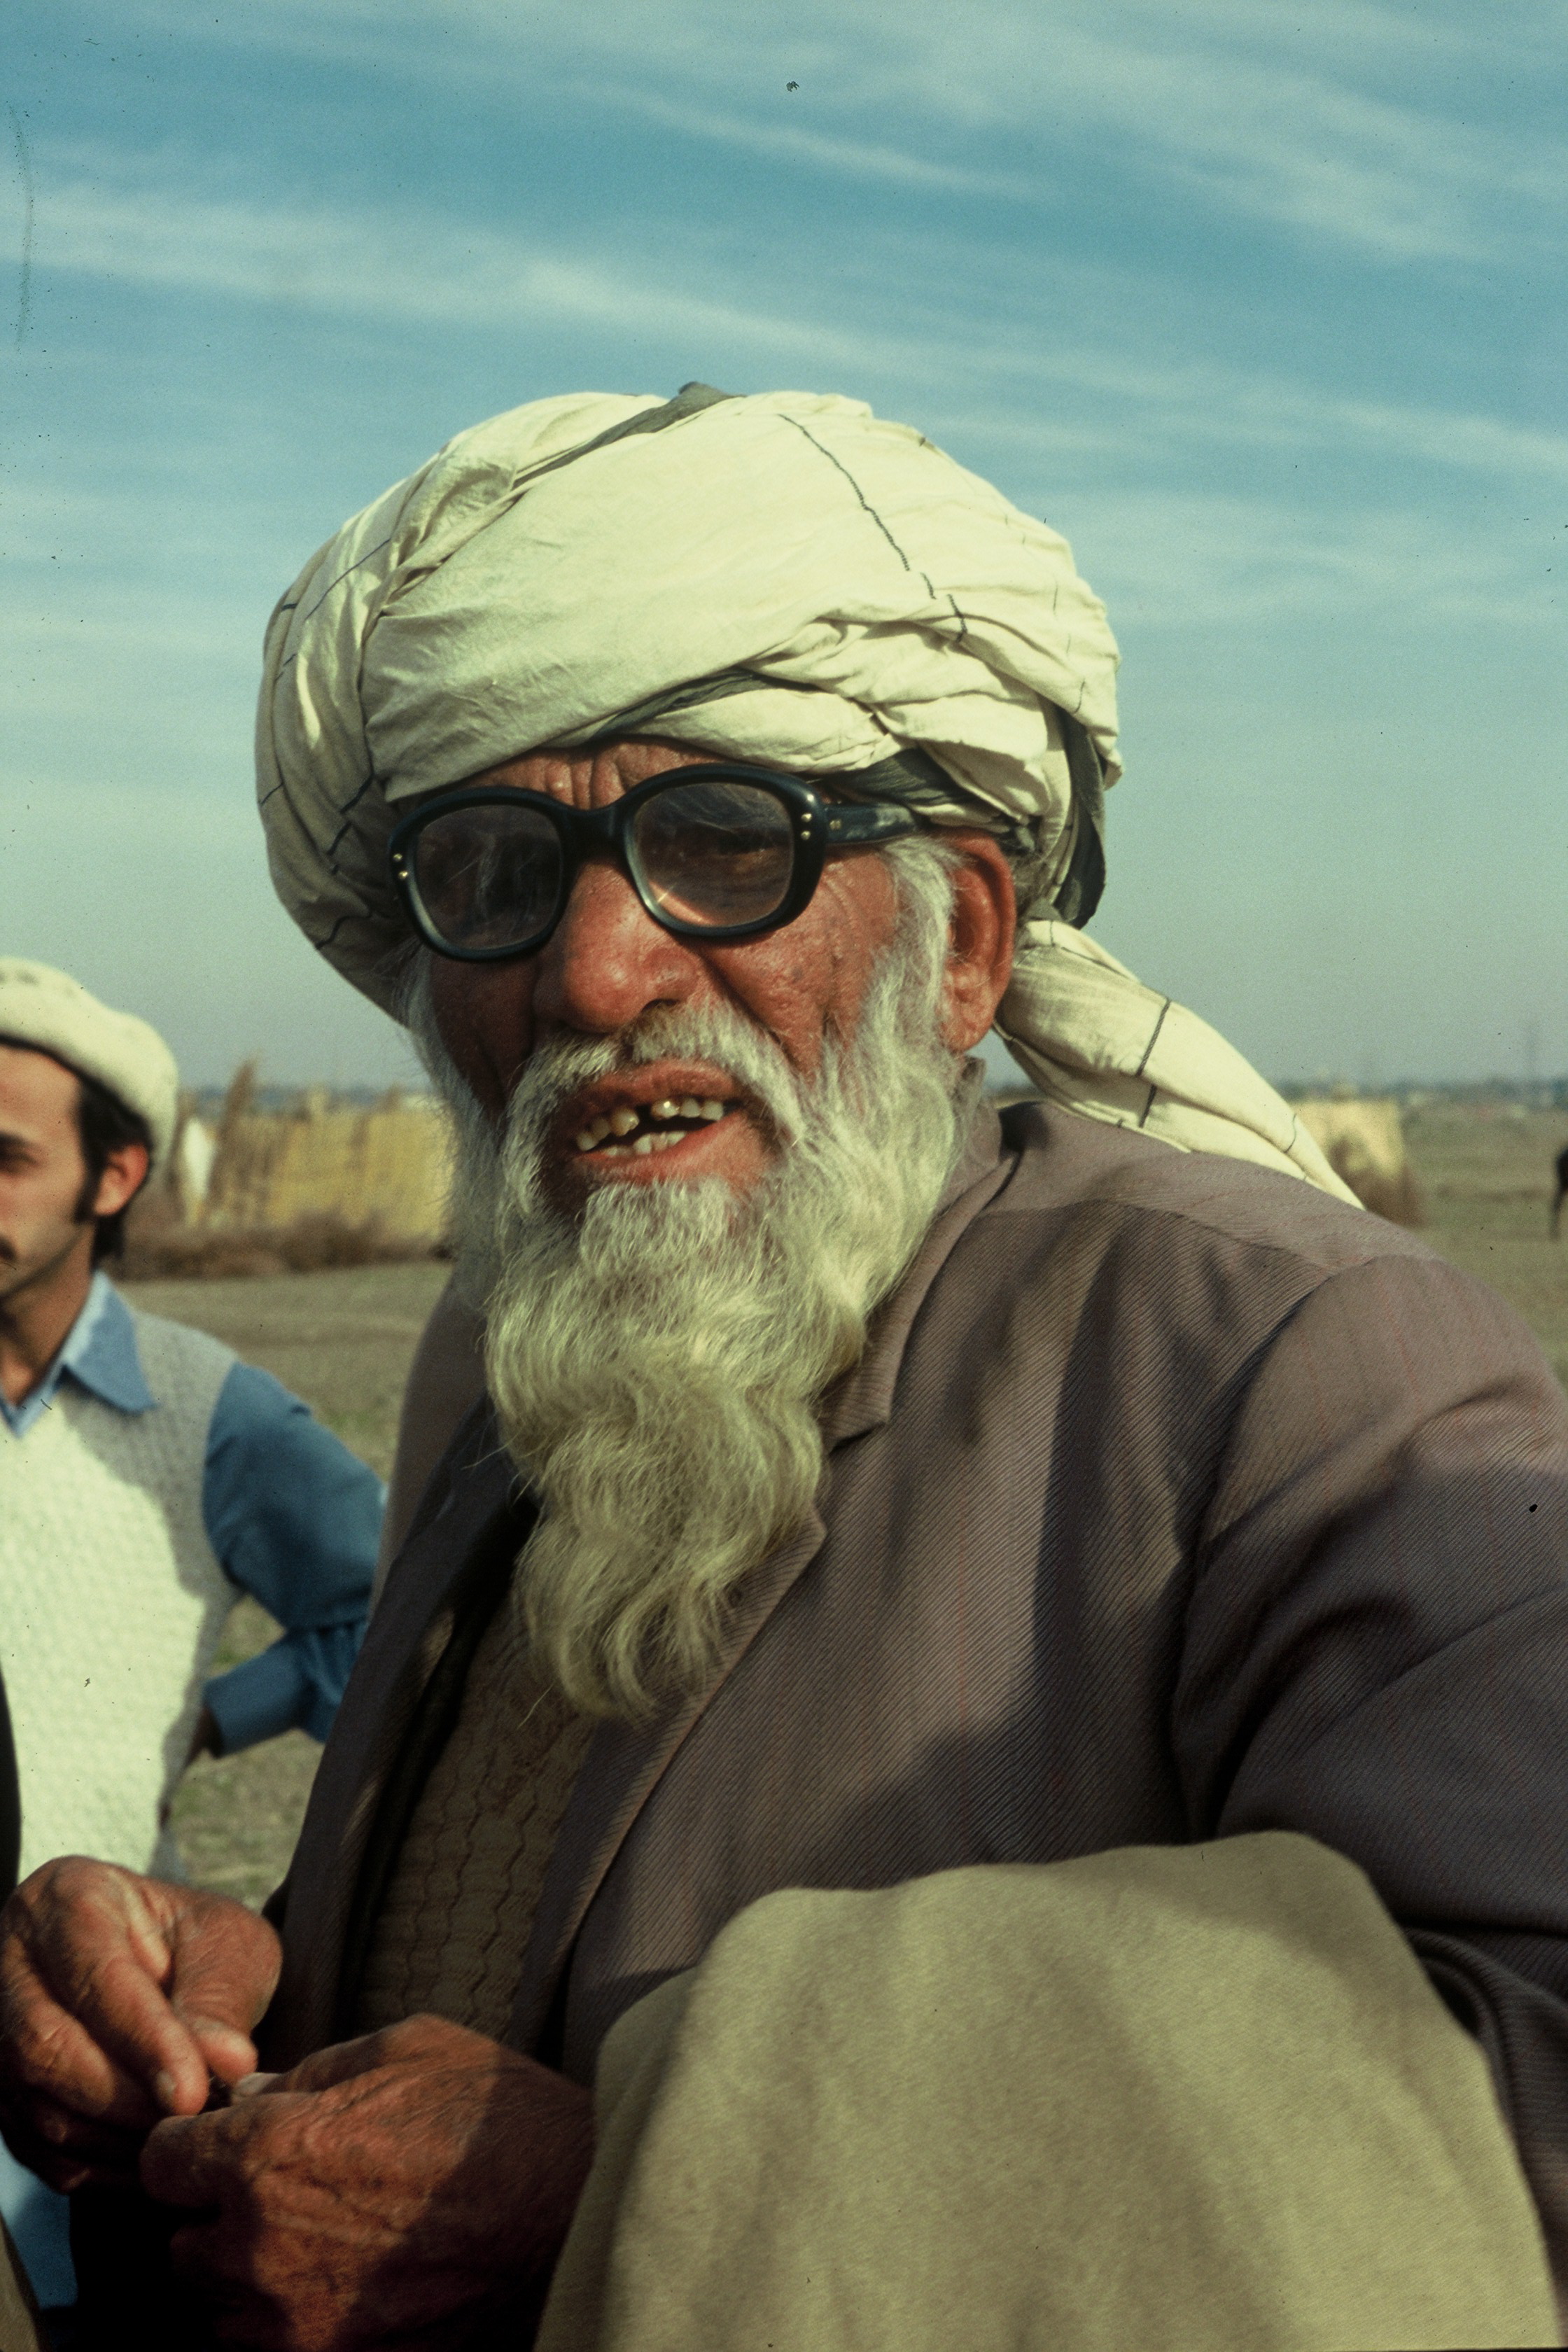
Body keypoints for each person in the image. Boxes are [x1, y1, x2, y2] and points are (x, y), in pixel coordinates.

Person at [0, 387, 1565, 2352]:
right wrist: (232, 2006)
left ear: (968, 943)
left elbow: (1526, 2097)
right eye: (490, 873)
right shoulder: (511, 1359)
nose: (590, 975)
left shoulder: (1290, 1360)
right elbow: (504, 1970)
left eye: (722, 845)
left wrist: (628, 2192)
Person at [0, 960, 384, 2316]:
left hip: (74, 2064)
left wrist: (217, 1712)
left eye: (5, 1157)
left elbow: (382, 1618)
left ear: (115, 1177)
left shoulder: (203, 1411)